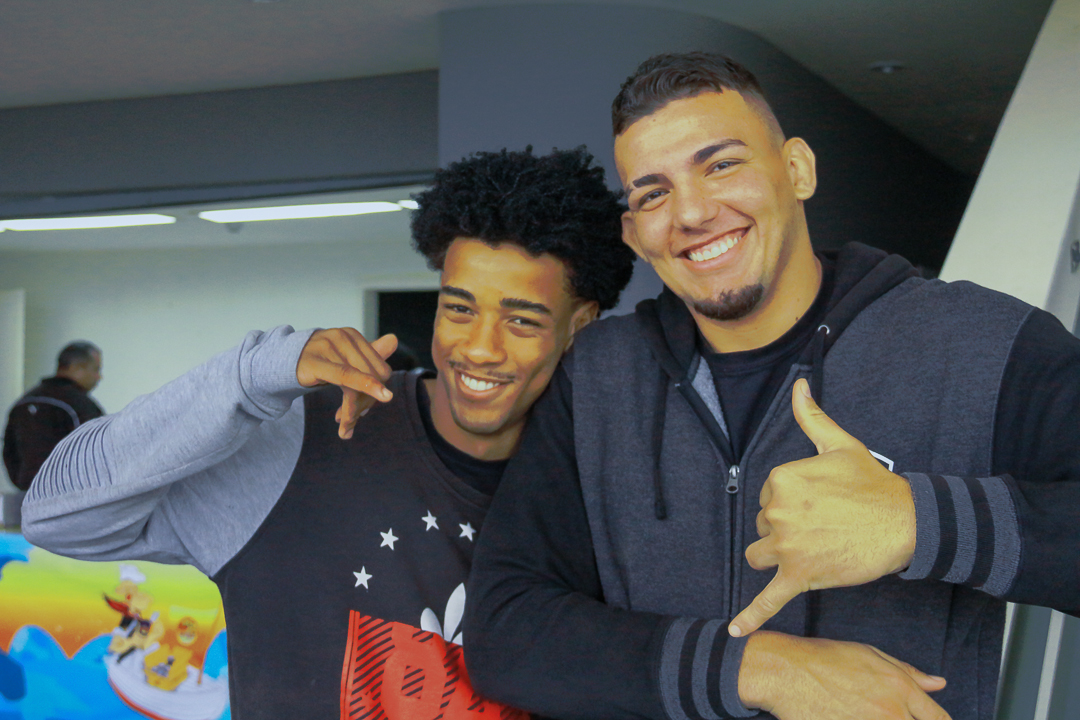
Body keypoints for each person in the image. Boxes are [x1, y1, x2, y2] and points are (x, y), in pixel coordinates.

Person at [464, 53, 1080, 720]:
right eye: (653, 194)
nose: (692, 212)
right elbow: (507, 630)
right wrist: (757, 670)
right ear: (634, 235)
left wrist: (918, 521)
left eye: (721, 164)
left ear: (797, 170)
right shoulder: (594, 377)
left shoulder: (981, 343)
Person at [20, 147, 636, 720]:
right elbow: (55, 515)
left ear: (579, 326)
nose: (479, 347)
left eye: (522, 321)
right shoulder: (299, 442)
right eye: (459, 308)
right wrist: (251, 375)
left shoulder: (607, 479)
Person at [3, 341, 104, 491]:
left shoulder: (22, 404)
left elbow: (9, 452)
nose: (99, 377)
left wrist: (26, 485)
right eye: (96, 369)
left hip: (28, 496)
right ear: (77, 367)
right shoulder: (81, 406)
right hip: (71, 497)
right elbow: (98, 454)